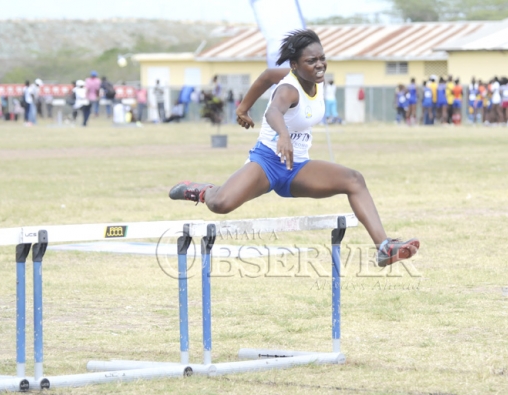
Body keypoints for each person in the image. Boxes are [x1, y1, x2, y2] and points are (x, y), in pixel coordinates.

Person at [168, 29, 419, 267]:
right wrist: (282, 134)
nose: (319, 65)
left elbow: (267, 75)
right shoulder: (288, 88)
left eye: (322, 58)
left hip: (297, 166)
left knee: (354, 180)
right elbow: (273, 112)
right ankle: (202, 190)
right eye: (312, 61)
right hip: (267, 162)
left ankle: (384, 248)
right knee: (221, 204)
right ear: (295, 66)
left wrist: (243, 108)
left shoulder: (312, 80)